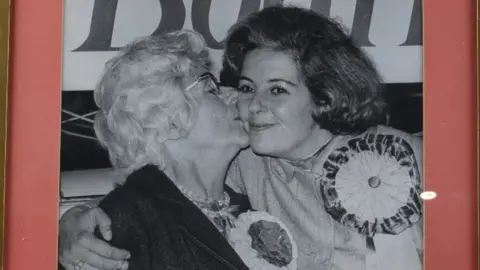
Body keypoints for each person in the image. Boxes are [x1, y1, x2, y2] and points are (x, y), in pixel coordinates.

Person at [59, 6, 423, 270]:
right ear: (170, 120)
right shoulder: (245, 166)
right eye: (243, 87)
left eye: (277, 90)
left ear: (323, 95)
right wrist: (68, 224)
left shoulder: (399, 156)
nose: (247, 103)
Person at [59, 30, 251, 270]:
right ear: (169, 121)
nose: (233, 95)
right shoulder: (123, 223)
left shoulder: (246, 204)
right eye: (211, 88)